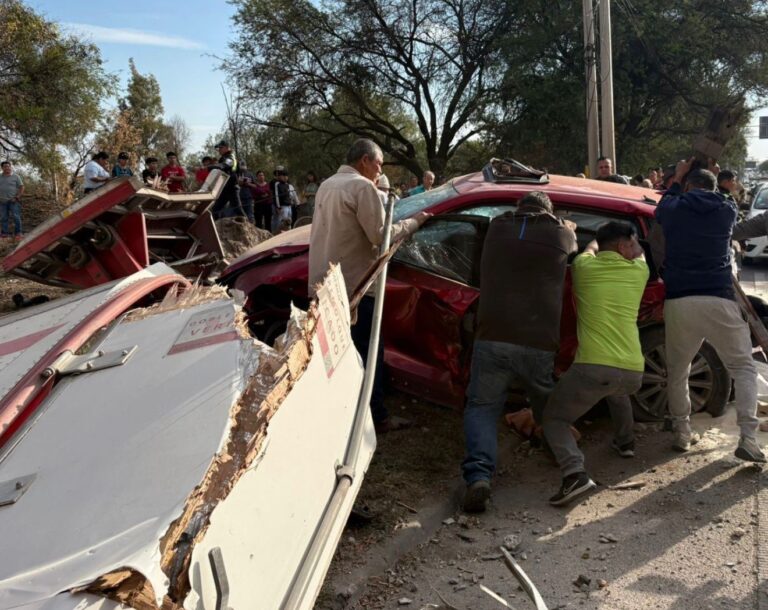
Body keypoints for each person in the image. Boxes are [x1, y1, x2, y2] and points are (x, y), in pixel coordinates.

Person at [461, 191, 577, 513]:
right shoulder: (562, 234)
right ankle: (559, 453)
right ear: (550, 213)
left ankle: (479, 478)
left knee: (482, 407)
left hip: (492, 336)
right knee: (546, 405)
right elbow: (574, 244)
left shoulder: (497, 229)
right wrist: (565, 225)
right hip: (539, 341)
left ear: (517, 209)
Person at [308, 139, 429, 432]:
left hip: (326, 284)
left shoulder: (328, 185)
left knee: (335, 354)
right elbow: (380, 236)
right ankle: (375, 416)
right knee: (368, 351)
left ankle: (342, 410)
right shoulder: (363, 188)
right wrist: (415, 222)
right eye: (378, 164)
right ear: (365, 160)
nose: (379, 170)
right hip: (356, 287)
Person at [656, 159, 764, 462]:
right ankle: (748, 438)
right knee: (743, 367)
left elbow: (662, 207)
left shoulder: (673, 209)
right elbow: (729, 198)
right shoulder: (726, 209)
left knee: (678, 371)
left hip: (680, 300)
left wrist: (676, 178)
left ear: (688, 187)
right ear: (714, 187)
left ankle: (681, 431)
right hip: (719, 297)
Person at [543, 221, 649, 506]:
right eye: (633, 241)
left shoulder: (583, 269)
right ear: (624, 245)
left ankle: (574, 473)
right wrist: (631, 241)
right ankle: (625, 442)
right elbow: (638, 252)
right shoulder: (640, 271)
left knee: (554, 419)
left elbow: (588, 251)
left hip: (593, 366)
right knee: (617, 389)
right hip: (633, 368)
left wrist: (592, 243)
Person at [210, 140, 242, 219]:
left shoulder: (231, 157)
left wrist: (208, 167)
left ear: (227, 148)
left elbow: (224, 165)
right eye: (218, 148)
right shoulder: (223, 158)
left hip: (232, 187)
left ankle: (249, 227)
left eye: (221, 147)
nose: (219, 150)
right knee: (215, 209)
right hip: (224, 188)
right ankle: (215, 228)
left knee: (238, 209)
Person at [0, 161, 24, 240]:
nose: (7, 168)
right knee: (4, 218)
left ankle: (18, 233)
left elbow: (21, 187)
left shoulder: (16, 176)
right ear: (2, 168)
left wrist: (17, 197)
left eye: (8, 166)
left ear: (10, 167)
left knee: (16, 217)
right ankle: (4, 233)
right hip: (2, 201)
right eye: (5, 166)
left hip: (13, 201)